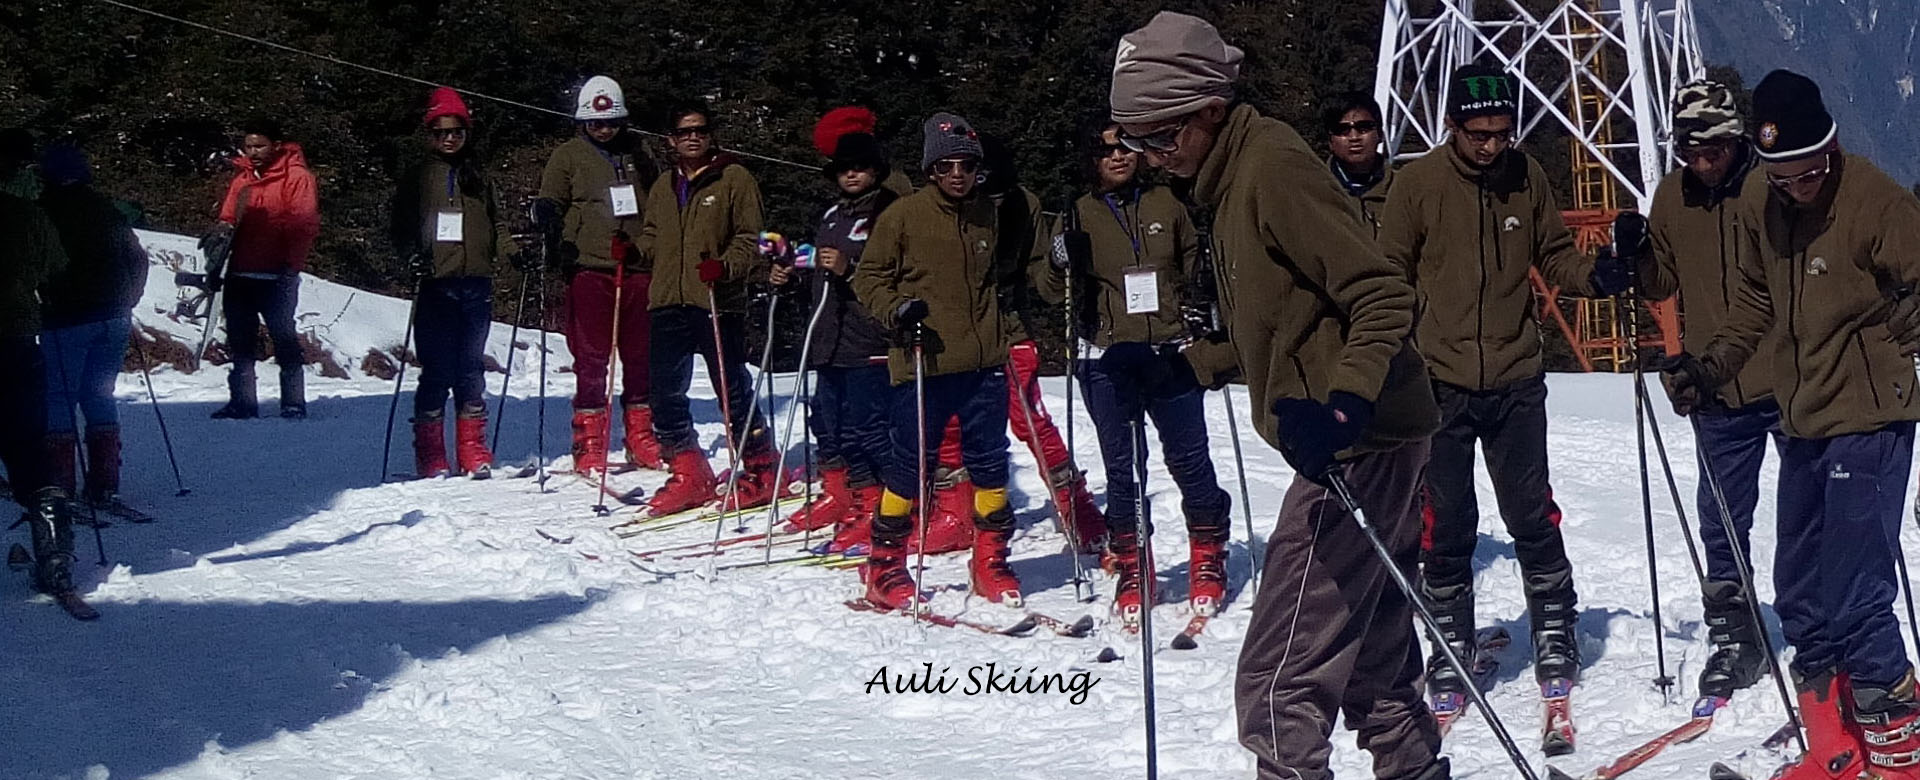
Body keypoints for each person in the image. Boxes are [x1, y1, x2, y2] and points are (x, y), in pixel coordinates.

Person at [1109, 13, 1448, 779]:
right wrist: (1185, 368)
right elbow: (1286, 323)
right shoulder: (1226, 181)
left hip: (1356, 445)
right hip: (1364, 437)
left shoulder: (1272, 169)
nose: (1152, 156)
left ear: (1209, 108)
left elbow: (1382, 295)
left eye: (1161, 135)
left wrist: (1344, 405)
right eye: (1135, 140)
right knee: (1374, 659)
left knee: (1277, 685)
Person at [1664, 69, 1920, 780]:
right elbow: (1755, 300)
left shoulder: (1876, 202)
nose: (1797, 188)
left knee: (1856, 594)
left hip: (1870, 415)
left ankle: (1900, 754)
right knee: (1801, 592)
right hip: (1803, 414)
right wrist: (1711, 369)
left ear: (1830, 148)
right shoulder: (1764, 202)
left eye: (1808, 173)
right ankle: (1835, 742)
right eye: (1782, 176)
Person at [1377, 64, 1627, 701]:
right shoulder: (1418, 185)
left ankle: (1554, 626)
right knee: (1446, 519)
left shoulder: (1525, 176)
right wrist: (1388, 359)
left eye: (1502, 133)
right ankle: (1450, 637)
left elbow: (1555, 254)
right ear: (1452, 125)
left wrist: (1596, 275)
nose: (1491, 146)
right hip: (1440, 382)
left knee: (1530, 511)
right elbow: (1390, 275)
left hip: (1515, 376)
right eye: (1479, 134)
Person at [850, 111, 1041, 609]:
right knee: (911, 466)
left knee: (990, 463)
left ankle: (990, 558)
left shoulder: (987, 214)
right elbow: (868, 277)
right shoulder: (903, 215)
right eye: (945, 166)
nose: (957, 175)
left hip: (983, 363)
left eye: (966, 165)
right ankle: (884, 565)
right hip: (924, 362)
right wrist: (896, 309)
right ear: (930, 170)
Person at [1631, 79, 1779, 700]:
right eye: (1691, 151)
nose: (1703, 162)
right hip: (1715, 387)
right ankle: (1734, 634)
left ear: (1737, 139)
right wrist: (1637, 256)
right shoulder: (1673, 195)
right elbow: (1661, 279)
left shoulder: (1771, 185)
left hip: (1790, 377)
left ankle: (1824, 628)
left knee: (1813, 517)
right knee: (1720, 519)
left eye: (1714, 149)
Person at [1057, 118, 1231, 622]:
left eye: (1125, 148)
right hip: (1106, 356)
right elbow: (1049, 287)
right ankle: (1133, 561)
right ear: (1092, 159)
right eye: (1106, 150)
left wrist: (1207, 311)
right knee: (1122, 467)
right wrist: (1059, 260)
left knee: (1189, 459)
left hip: (1168, 352)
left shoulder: (1166, 204)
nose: (1118, 157)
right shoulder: (1077, 212)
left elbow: (1196, 265)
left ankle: (1208, 550)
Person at [771, 108, 897, 551]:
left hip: (868, 337)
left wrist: (850, 268)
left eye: (860, 167)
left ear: (876, 170)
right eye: (844, 168)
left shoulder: (888, 211)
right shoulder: (832, 214)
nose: (852, 175)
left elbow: (895, 272)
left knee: (870, 428)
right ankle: (850, 496)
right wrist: (790, 271)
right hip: (828, 335)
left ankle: (888, 502)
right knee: (831, 425)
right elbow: (820, 269)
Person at [637, 102, 771, 516]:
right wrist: (634, 252)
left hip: (715, 298)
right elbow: (653, 236)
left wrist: (726, 266)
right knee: (664, 391)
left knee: (730, 388)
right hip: (667, 298)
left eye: (700, 130)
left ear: (711, 135)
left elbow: (752, 237)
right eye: (684, 132)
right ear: (671, 140)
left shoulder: (734, 178)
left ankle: (762, 466)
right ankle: (688, 470)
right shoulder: (664, 184)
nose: (693, 137)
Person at [533, 75, 661, 475]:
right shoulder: (568, 155)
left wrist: (650, 245)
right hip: (590, 267)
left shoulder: (640, 151)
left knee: (641, 357)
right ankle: (589, 440)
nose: (604, 129)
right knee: (591, 359)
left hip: (636, 265)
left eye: (611, 122)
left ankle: (640, 435)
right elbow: (550, 199)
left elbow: (657, 202)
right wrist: (548, 218)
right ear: (583, 122)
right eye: (595, 123)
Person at [391, 87, 515, 479]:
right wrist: (410, 257)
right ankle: (430, 451)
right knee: (437, 368)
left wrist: (512, 254)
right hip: (435, 283)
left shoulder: (478, 174)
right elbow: (400, 227)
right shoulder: (419, 175)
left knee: (470, 367)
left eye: (456, 131)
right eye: (441, 132)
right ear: (430, 134)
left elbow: (497, 223)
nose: (449, 138)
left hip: (475, 281)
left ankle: (473, 447)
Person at [36, 144, 147, 509]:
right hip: (114, 316)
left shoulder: (44, 212)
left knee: (58, 395)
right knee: (99, 393)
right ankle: (104, 483)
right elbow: (137, 258)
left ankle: (59, 485)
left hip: (65, 317)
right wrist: (129, 298)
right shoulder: (106, 209)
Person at [204, 118, 320, 420]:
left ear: (276, 146)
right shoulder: (242, 179)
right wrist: (218, 248)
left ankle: (293, 401)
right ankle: (242, 401)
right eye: (248, 146)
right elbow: (228, 219)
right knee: (239, 341)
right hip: (240, 272)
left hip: (277, 275)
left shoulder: (297, 177)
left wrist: (291, 268)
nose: (253, 152)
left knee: (283, 337)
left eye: (260, 145)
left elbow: (303, 226)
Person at [1, 186, 83, 599]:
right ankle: (54, 555)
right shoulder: (25, 214)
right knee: (29, 445)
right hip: (16, 337)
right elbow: (57, 269)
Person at [1321, 91, 1394, 235]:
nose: (1354, 137)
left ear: (1380, 134)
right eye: (1342, 130)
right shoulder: (1313, 191)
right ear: (1330, 140)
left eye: (1364, 128)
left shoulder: (1405, 190)